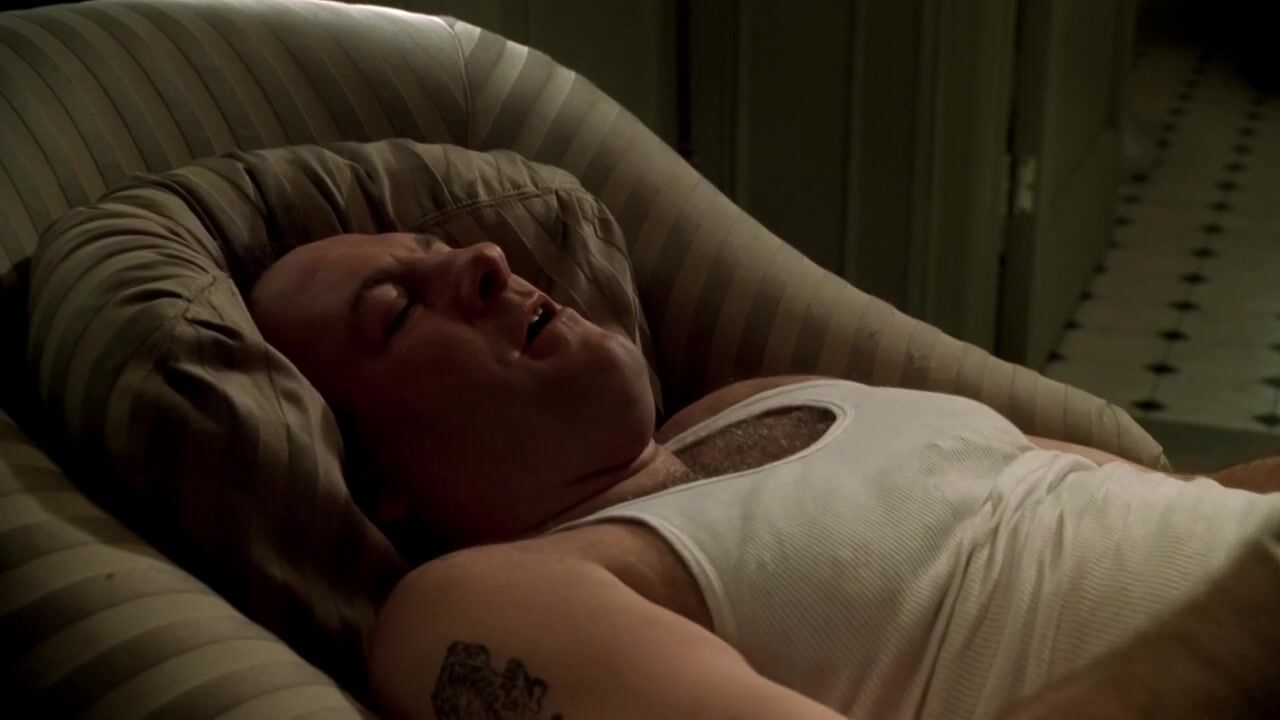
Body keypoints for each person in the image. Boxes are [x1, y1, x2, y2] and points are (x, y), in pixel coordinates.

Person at [250, 232, 1280, 720]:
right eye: (397, 310)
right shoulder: (482, 601)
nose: (483, 257)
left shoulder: (763, 398)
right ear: (373, 481)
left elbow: (1184, 505)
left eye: (441, 244)